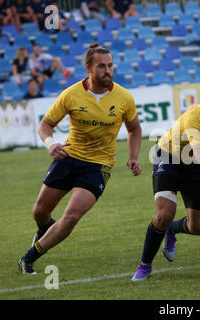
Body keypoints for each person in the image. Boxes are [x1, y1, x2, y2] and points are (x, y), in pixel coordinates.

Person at [17, 44, 143, 274]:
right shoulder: (71, 94)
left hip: (98, 165)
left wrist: (133, 157)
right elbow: (45, 125)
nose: (108, 70)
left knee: (72, 215)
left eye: (110, 65)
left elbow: (135, 129)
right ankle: (46, 228)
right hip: (68, 157)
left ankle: (29, 258)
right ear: (88, 68)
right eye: (102, 66)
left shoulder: (124, 97)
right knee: (39, 212)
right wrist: (50, 143)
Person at [130, 77, 200, 282]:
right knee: (164, 213)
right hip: (169, 156)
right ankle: (145, 265)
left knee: (198, 228)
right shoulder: (194, 118)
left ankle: (172, 230)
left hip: (194, 167)